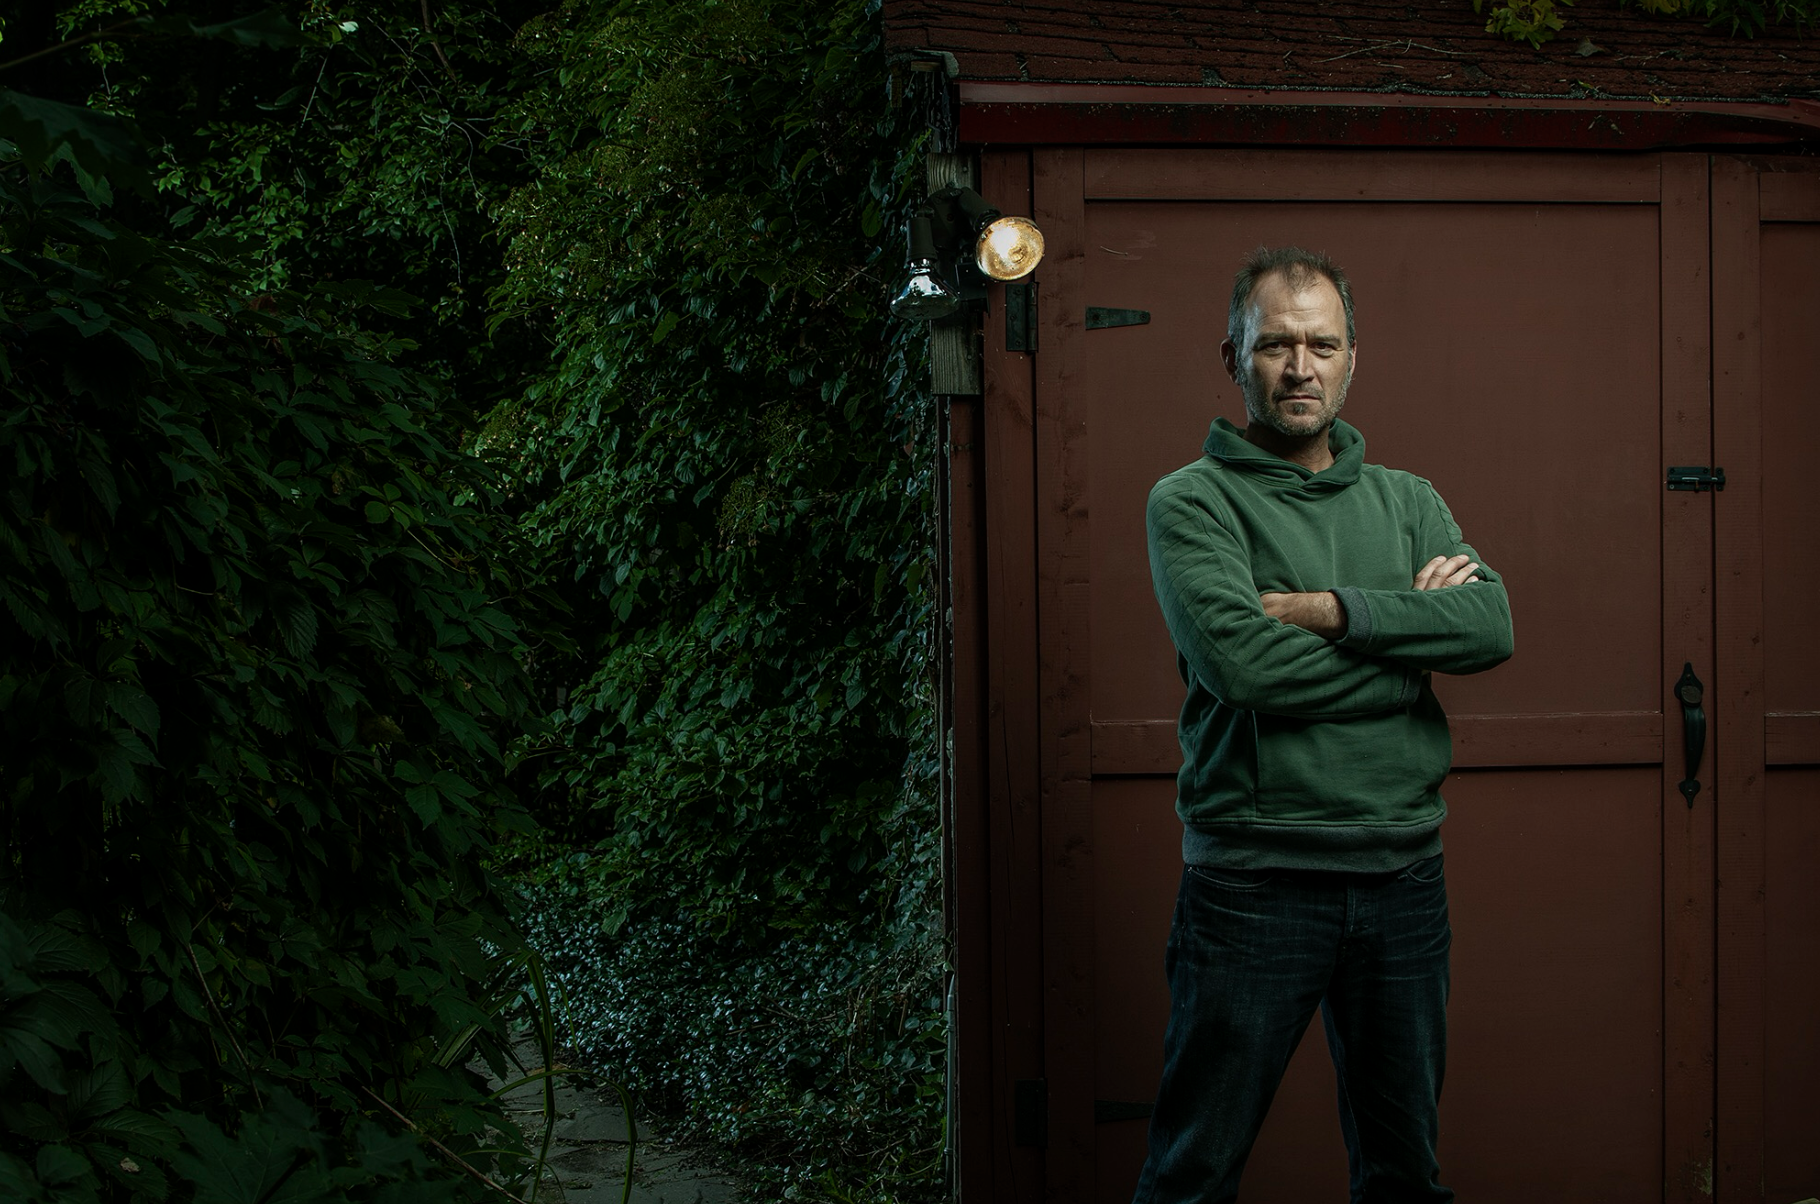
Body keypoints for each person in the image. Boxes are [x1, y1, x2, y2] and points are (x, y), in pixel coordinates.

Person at [1132, 246, 1515, 1204]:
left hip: (1402, 880)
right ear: (1233, 358)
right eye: (1276, 347)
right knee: (1192, 1175)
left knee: (1403, 1176)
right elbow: (1242, 666)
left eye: (1322, 344)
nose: (1300, 367)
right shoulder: (1191, 502)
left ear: (1353, 359)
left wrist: (1331, 609)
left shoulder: (1409, 499)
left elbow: (1491, 624)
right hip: (1255, 885)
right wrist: (1407, 646)